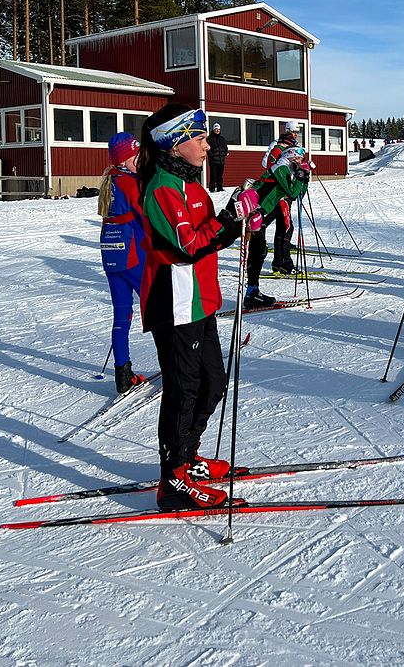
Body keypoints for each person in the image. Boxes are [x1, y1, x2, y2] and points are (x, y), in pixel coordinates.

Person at [137, 103, 260, 510]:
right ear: (176, 144)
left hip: (200, 299)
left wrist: (241, 218)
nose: (209, 145)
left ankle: (187, 459)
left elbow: (210, 236)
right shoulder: (161, 189)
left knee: (213, 381)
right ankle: (172, 481)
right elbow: (187, 245)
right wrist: (228, 218)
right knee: (183, 390)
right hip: (174, 303)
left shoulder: (191, 184)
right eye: (200, 138)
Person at [98, 132, 147, 394]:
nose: (139, 160)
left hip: (111, 256)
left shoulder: (110, 181)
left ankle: (122, 373)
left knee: (122, 315)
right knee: (159, 307)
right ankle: (177, 362)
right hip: (132, 256)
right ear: (123, 159)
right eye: (135, 156)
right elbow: (146, 216)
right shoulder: (129, 183)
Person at [245, 126, 311, 303]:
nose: (300, 159)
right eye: (297, 157)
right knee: (257, 250)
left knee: (260, 249)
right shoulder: (281, 167)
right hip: (257, 209)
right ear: (289, 156)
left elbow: (299, 194)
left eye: (301, 157)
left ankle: (252, 291)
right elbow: (291, 191)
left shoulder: (288, 168)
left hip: (265, 210)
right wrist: (299, 178)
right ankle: (251, 292)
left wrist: (304, 178)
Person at [207, 122, 229, 192]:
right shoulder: (209, 138)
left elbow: (225, 147)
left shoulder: (222, 139)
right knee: (213, 175)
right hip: (213, 161)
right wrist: (212, 155)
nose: (217, 130)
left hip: (221, 161)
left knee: (220, 176)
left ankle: (220, 187)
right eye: (216, 129)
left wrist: (225, 153)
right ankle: (212, 188)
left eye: (218, 129)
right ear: (213, 130)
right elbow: (207, 149)